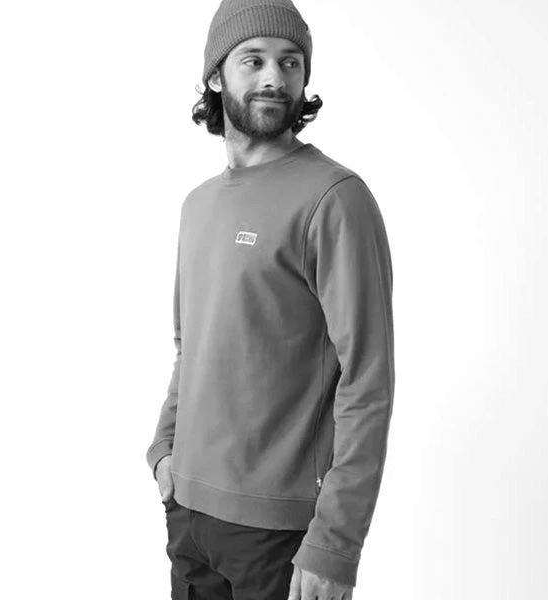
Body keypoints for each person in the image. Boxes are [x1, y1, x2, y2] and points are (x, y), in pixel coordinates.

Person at [146, 1, 395, 598]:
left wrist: (336, 541)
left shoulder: (335, 198)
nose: (274, 78)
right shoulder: (198, 204)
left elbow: (367, 379)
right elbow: (190, 344)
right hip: (188, 514)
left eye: (290, 62)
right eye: (252, 60)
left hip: (279, 530)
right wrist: (164, 448)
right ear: (216, 76)